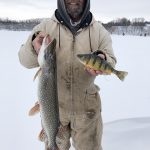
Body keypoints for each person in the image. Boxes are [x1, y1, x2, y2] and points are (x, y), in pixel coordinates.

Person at [18, 0, 116, 149]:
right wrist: (33, 46)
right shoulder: (44, 27)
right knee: (53, 143)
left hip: (87, 110)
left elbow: (111, 60)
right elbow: (24, 60)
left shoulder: (99, 31)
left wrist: (103, 59)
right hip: (54, 108)